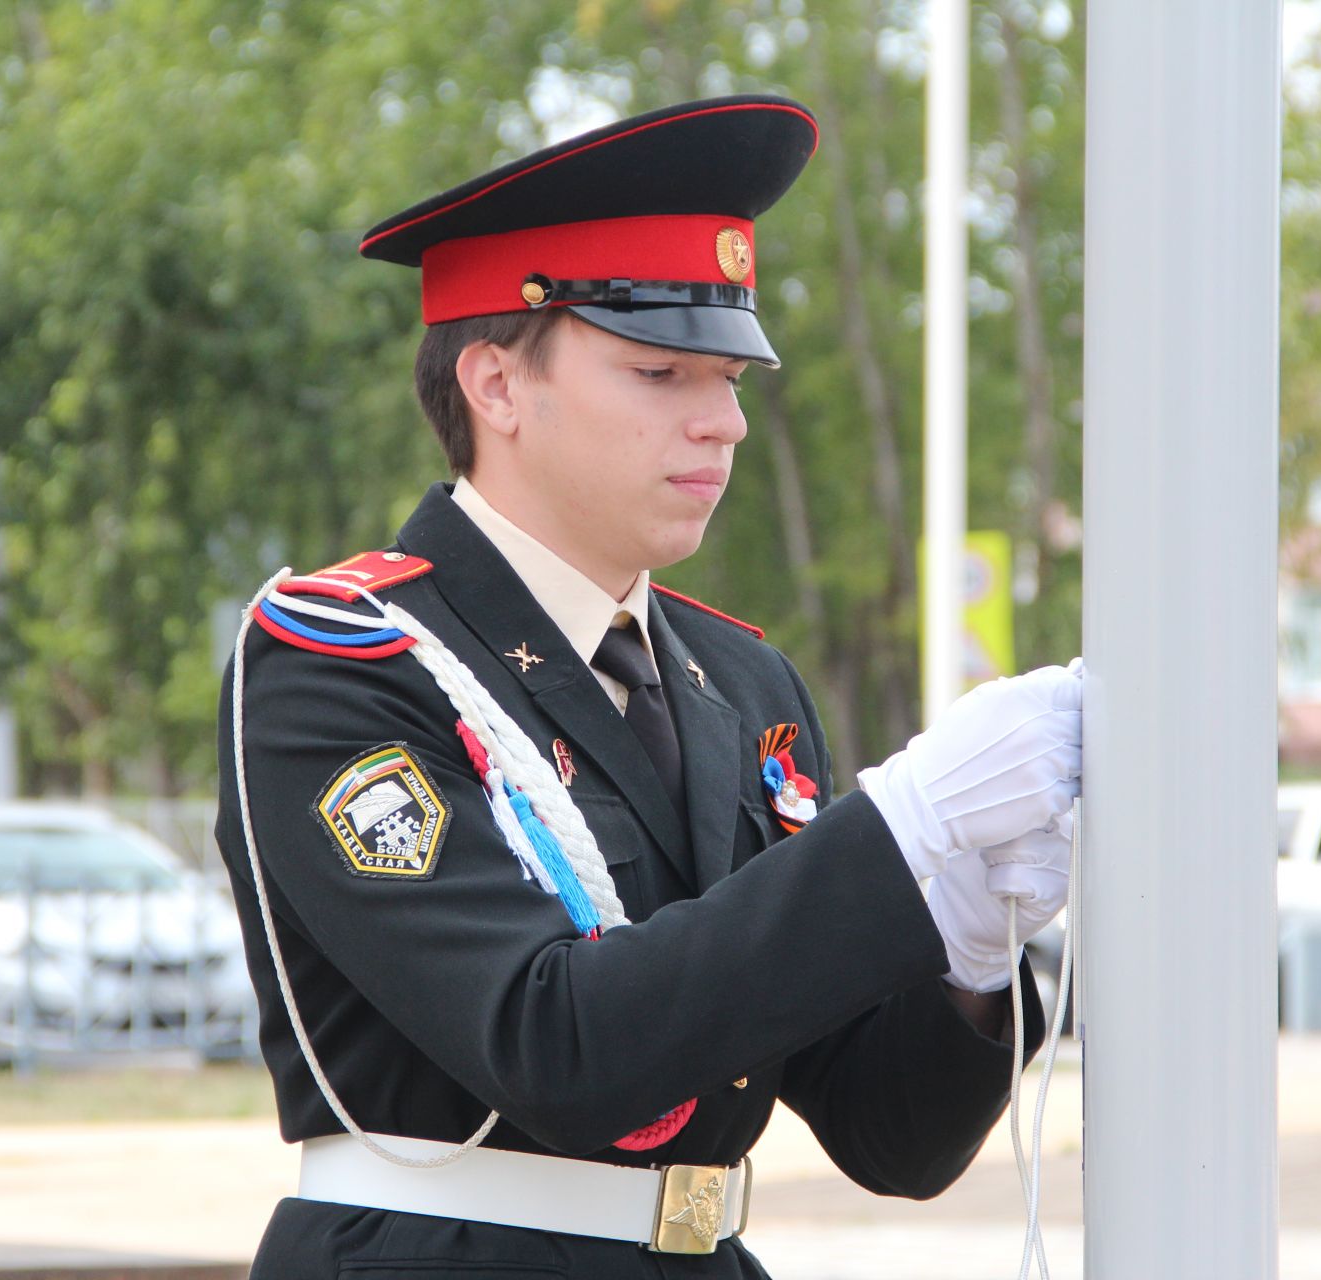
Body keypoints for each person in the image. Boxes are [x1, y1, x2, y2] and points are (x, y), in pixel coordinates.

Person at [215, 94, 1083, 1279]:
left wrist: (974, 949)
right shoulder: (342, 660)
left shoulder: (738, 677)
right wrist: (906, 828)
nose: (722, 422)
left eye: (729, 377)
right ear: (496, 385)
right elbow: (554, 1042)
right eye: (661, 369)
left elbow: (897, 1136)